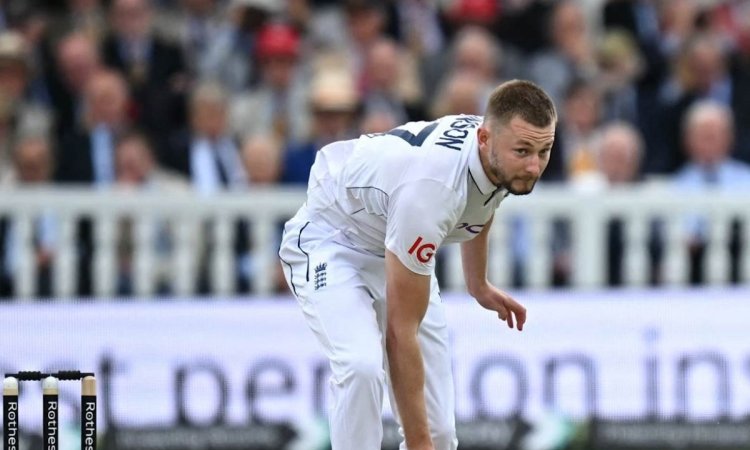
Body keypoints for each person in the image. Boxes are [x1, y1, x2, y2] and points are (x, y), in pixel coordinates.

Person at [278, 79, 556, 449]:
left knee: (440, 434)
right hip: (333, 238)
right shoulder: (434, 189)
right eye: (524, 152)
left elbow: (483, 199)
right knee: (361, 368)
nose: (535, 166)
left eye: (545, 151)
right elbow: (399, 333)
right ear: (485, 139)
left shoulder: (500, 147)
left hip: (395, 234)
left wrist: (478, 284)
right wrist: (419, 443)